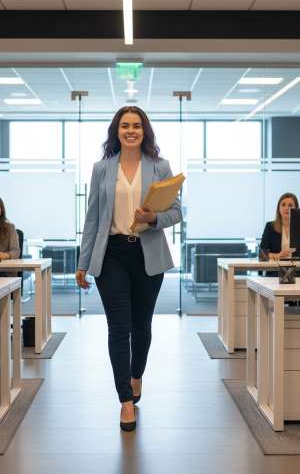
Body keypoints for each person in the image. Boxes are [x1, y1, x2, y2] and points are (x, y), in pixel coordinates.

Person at [75, 106, 182, 432]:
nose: (131, 130)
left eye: (136, 125)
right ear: (116, 131)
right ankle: (125, 400)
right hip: (112, 255)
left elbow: (176, 212)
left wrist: (153, 219)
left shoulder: (160, 166)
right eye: (125, 126)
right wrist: (83, 261)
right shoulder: (102, 168)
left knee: (141, 328)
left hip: (147, 254)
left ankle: (136, 376)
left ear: (144, 130)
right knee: (119, 328)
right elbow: (93, 218)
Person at [260, 193, 299, 260]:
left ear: (296, 208)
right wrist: (277, 255)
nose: (286, 208)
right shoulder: (270, 226)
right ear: (279, 208)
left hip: (299, 269)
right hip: (275, 268)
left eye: (290, 205)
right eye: (283, 205)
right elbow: (262, 254)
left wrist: (291, 255)